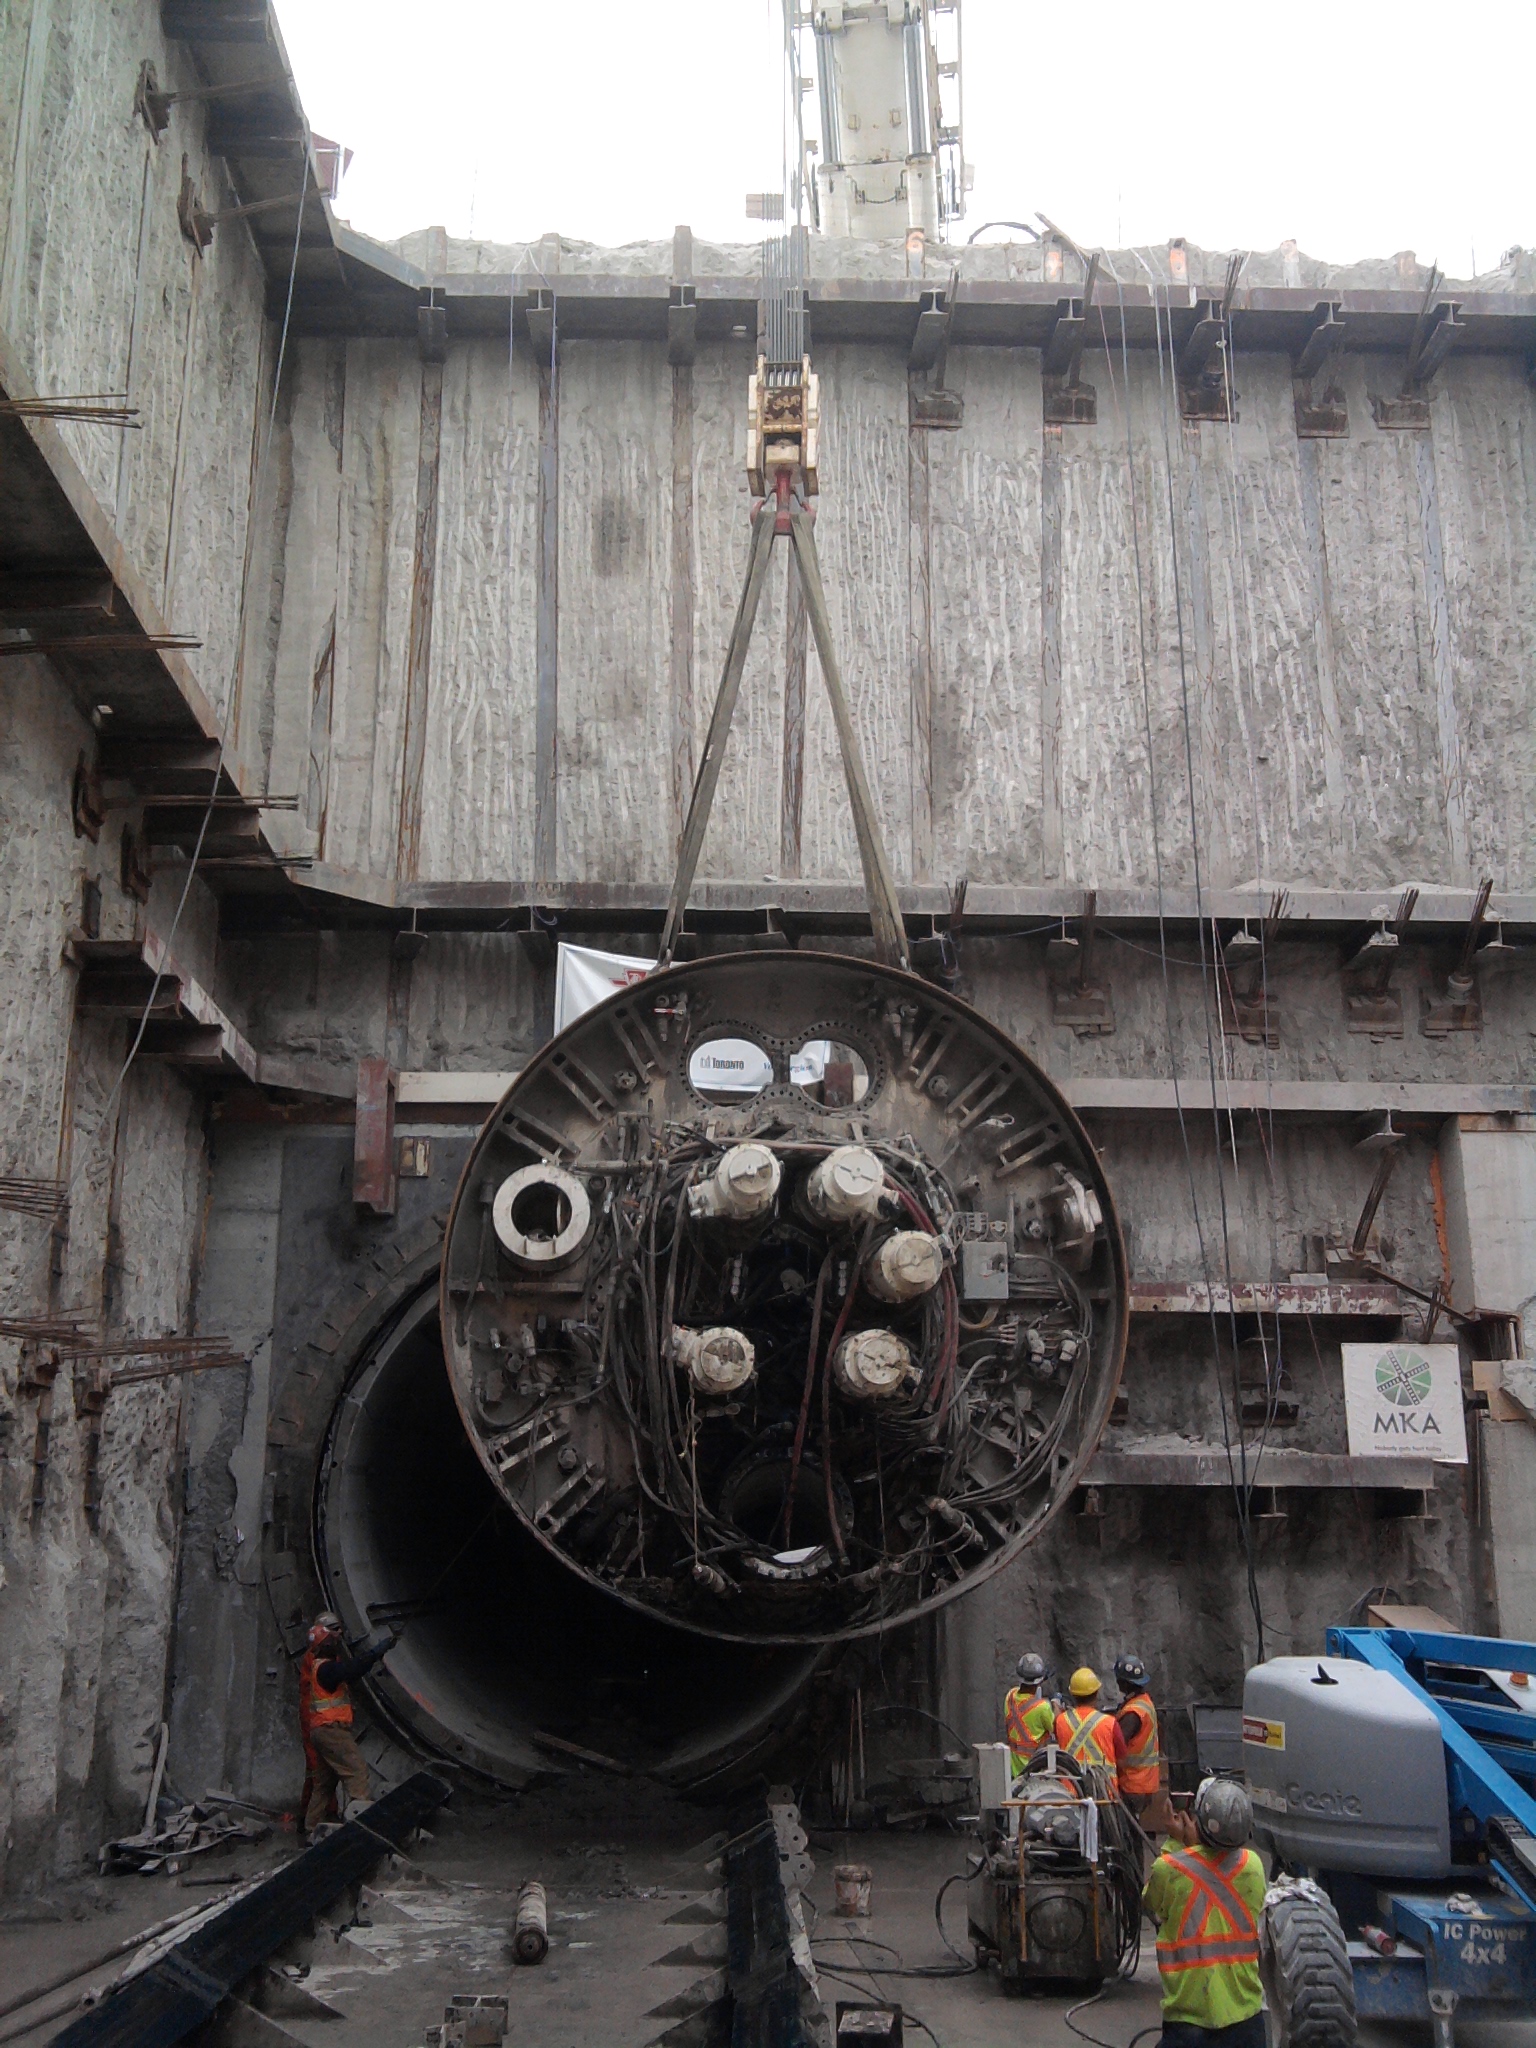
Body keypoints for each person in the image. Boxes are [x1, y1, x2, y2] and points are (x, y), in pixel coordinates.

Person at [1143, 1776, 1266, 2048]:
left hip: (1189, 2023)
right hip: (1247, 2020)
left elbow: (1150, 1901)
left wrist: (1177, 1842)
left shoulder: (1169, 1868)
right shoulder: (1254, 1867)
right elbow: (1213, 1867)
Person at [297, 1611, 399, 1836]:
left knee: (324, 1783)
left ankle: (311, 1830)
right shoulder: (326, 1668)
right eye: (335, 1636)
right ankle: (359, 1826)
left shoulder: (317, 1666)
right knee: (356, 1771)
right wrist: (374, 1653)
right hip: (332, 1729)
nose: (339, 1638)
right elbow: (350, 1671)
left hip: (320, 1730)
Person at [1054, 1667, 1128, 1793]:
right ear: (1096, 1693)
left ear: (1072, 1694)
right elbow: (1122, 1761)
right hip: (1104, 1792)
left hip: (1071, 1793)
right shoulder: (1110, 1723)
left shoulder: (1060, 1721)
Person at [1115, 1652, 1163, 1812]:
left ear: (1124, 1682)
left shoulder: (1133, 1712)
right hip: (1144, 1782)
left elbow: (1116, 1743)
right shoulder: (1144, 1702)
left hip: (1132, 1783)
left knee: (1127, 1833)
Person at [1003, 1653, 1057, 1774]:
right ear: (1039, 1681)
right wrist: (1055, 1703)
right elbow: (1056, 1728)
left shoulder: (1010, 1696)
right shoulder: (1043, 1707)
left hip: (1012, 1769)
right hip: (1033, 1768)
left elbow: (1023, 1695)